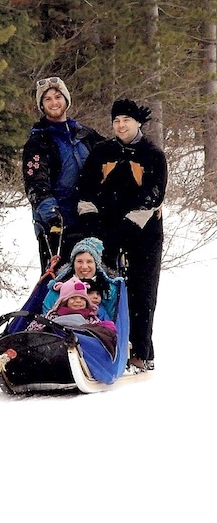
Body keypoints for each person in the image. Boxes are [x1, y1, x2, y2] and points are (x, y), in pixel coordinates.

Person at [77, 99, 167, 373]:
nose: (121, 125)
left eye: (126, 120)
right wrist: (91, 219)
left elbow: (154, 195)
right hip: (106, 232)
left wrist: (129, 225)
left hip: (144, 233)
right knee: (105, 291)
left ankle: (141, 351)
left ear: (138, 122)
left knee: (142, 292)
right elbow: (85, 188)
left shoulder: (152, 153)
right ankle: (108, 346)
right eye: (116, 120)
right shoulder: (102, 151)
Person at [22, 76, 105, 274]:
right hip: (56, 225)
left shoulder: (86, 134)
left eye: (57, 96)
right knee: (58, 282)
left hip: (89, 218)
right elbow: (35, 183)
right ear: (41, 105)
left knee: (92, 282)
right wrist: (51, 216)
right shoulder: (38, 141)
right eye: (47, 99)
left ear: (66, 100)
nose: (53, 103)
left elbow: (111, 161)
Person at [27, 276, 117, 355]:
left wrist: (106, 327)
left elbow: (99, 332)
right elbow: (32, 330)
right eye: (73, 298)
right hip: (53, 350)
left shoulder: (90, 318)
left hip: (81, 354)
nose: (78, 301)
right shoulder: (53, 316)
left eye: (82, 298)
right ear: (64, 301)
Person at [43, 237, 119, 321]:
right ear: (73, 264)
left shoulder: (108, 289)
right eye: (79, 261)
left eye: (89, 261)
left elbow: (114, 318)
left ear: (96, 265)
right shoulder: (58, 288)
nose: (84, 267)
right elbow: (47, 315)